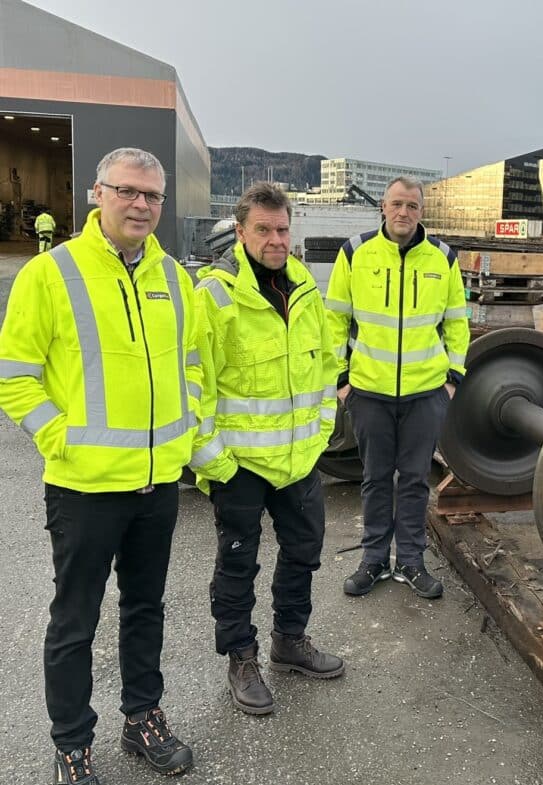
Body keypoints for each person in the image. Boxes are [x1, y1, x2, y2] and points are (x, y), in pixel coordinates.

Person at [0, 148, 197, 783]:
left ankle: (142, 718)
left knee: (146, 608)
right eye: (128, 192)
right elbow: (15, 378)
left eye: (153, 196)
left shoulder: (174, 276)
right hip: (84, 487)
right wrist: (61, 439)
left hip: (156, 482)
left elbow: (191, 364)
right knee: (75, 618)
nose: (141, 205)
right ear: (97, 193)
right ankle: (71, 743)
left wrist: (186, 425)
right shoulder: (50, 274)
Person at [189, 182, 343, 716]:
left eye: (282, 229)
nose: (276, 240)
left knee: (304, 553)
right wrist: (215, 463)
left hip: (300, 460)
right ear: (240, 232)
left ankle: (289, 641)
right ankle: (241, 656)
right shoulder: (215, 295)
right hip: (241, 467)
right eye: (264, 230)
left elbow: (326, 369)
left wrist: (322, 431)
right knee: (238, 564)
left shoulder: (303, 288)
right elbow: (194, 387)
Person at [326, 176, 469, 600]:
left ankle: (411, 561)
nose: (403, 212)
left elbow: (457, 322)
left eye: (412, 205)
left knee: (412, 481)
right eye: (396, 204)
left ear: (421, 211)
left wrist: (452, 381)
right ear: (383, 209)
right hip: (368, 392)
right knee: (373, 479)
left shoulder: (442, 258)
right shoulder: (355, 253)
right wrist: (342, 380)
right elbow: (334, 318)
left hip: (426, 395)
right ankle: (373, 560)